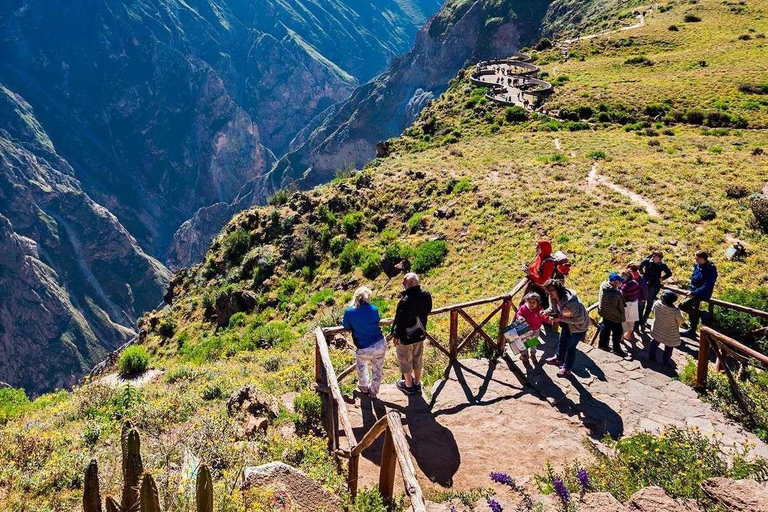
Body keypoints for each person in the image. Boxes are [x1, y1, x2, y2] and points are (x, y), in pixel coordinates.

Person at [391, 273, 433, 395]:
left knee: (405, 360)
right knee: (418, 359)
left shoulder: (405, 300)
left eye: (404, 283)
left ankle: (408, 386)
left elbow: (400, 321)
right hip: (420, 333)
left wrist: (396, 335)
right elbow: (428, 310)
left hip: (406, 337)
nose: (403, 285)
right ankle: (417, 383)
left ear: (409, 284)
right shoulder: (426, 295)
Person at [342, 287, 387, 399]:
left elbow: (346, 326)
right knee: (377, 369)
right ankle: (374, 392)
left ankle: (363, 387)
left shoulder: (349, 311)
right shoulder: (374, 309)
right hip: (379, 343)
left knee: (361, 365)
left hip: (363, 346)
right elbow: (377, 321)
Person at [543, 280, 590, 377]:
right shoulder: (554, 297)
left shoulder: (571, 303)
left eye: (551, 290)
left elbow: (579, 320)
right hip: (567, 324)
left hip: (578, 327)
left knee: (570, 347)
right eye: (547, 290)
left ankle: (566, 369)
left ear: (558, 289)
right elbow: (554, 308)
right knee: (562, 340)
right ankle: (559, 358)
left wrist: (560, 318)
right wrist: (546, 312)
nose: (549, 293)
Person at [680, 251, 718, 339]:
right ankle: (691, 331)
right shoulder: (698, 265)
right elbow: (694, 276)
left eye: (696, 257)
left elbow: (708, 285)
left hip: (701, 293)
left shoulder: (710, 269)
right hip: (693, 290)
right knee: (692, 311)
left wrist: (694, 293)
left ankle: (703, 314)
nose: (695, 259)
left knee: (683, 306)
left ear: (701, 258)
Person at [648, 291, 684, 365]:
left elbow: (652, 310)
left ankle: (651, 356)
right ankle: (666, 362)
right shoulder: (675, 311)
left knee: (655, 342)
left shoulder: (657, 303)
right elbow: (681, 321)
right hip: (669, 333)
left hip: (657, 328)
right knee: (668, 347)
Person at [514, 292, 552, 359]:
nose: (531, 304)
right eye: (530, 302)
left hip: (535, 330)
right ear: (527, 301)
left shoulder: (539, 310)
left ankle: (533, 353)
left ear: (537, 302)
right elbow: (518, 313)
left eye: (533, 302)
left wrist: (549, 320)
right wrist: (519, 317)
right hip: (524, 329)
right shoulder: (523, 308)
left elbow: (545, 317)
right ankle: (525, 355)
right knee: (524, 343)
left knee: (533, 344)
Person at [597, 272, 627, 357]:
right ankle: (616, 349)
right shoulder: (613, 294)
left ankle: (603, 345)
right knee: (618, 332)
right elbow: (612, 309)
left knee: (605, 329)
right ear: (613, 282)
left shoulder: (604, 285)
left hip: (604, 314)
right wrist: (620, 316)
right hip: (613, 317)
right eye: (619, 281)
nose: (621, 283)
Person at [639, 251, 672, 324]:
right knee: (642, 300)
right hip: (646, 282)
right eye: (658, 257)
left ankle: (645, 317)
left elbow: (669, 273)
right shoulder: (647, 261)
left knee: (650, 301)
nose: (659, 259)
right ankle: (639, 318)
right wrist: (642, 275)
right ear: (653, 256)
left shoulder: (662, 265)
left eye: (660, 258)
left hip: (655, 284)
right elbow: (640, 266)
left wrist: (662, 278)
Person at [523, 240, 557, 307]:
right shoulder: (540, 257)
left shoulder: (548, 263)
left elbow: (544, 280)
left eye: (538, 246)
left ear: (544, 248)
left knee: (540, 308)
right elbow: (534, 267)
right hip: (535, 287)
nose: (535, 248)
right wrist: (528, 268)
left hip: (542, 291)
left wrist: (530, 274)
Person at [620, 269, 642, 342]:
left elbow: (622, 296)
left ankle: (622, 337)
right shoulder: (635, 283)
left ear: (627, 276)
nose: (621, 277)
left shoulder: (624, 286)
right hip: (634, 303)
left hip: (626, 304)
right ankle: (629, 335)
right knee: (631, 320)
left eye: (623, 276)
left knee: (624, 321)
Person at [627, 263, 649, 331]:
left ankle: (636, 328)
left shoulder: (630, 278)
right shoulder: (640, 277)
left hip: (634, 299)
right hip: (641, 299)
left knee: (635, 314)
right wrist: (645, 298)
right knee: (639, 313)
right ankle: (641, 325)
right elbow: (645, 289)